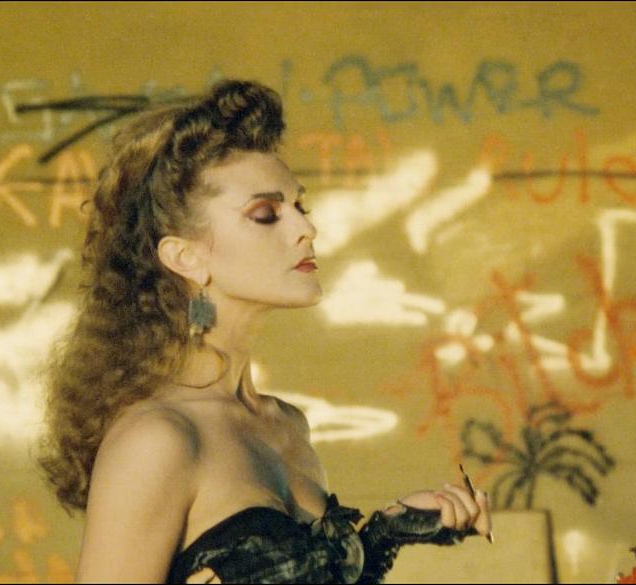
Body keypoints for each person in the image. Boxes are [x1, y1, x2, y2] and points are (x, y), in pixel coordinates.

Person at [38, 79, 492, 584]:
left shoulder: (287, 425)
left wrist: (386, 534)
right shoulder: (158, 439)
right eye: (265, 214)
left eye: (301, 207)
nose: (305, 229)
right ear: (184, 257)